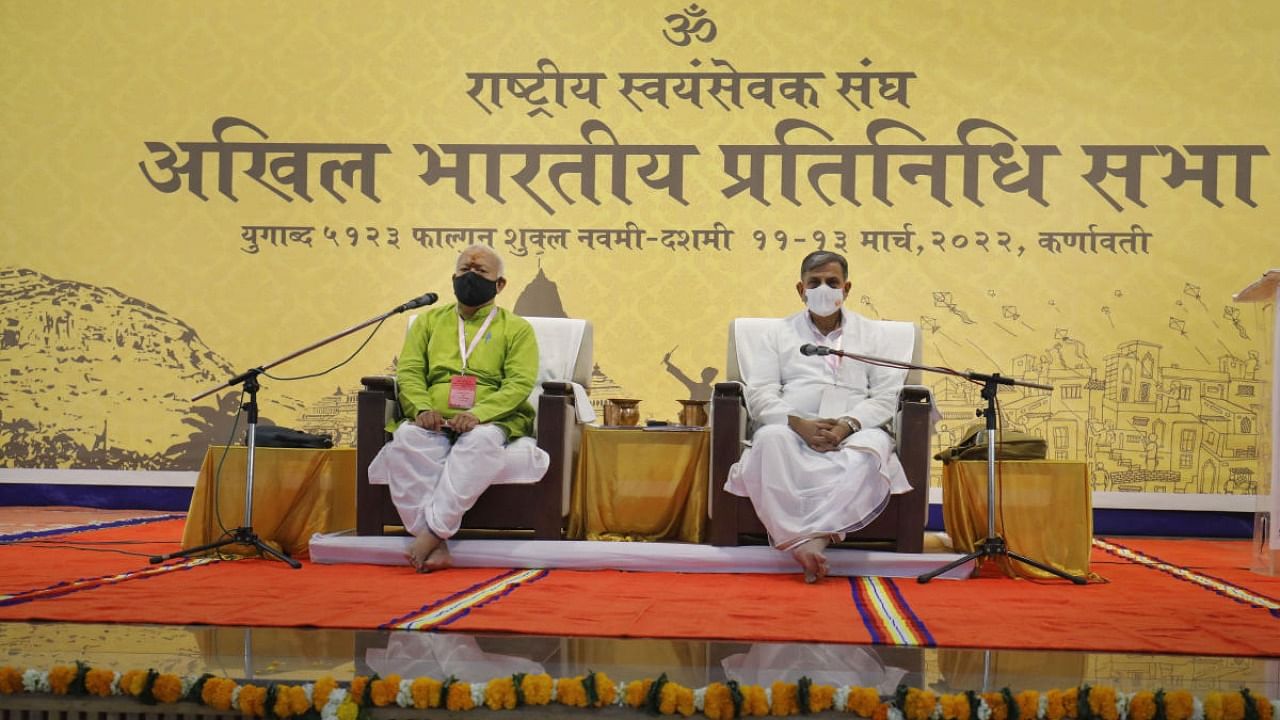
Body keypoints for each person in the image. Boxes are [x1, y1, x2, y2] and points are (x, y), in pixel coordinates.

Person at [725, 250, 911, 583]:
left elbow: (886, 395)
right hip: (794, 426)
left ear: (846, 288)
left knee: (872, 452)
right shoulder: (777, 334)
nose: (823, 289)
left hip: (854, 428)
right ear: (801, 289)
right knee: (768, 440)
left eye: (831, 282)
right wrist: (797, 423)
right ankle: (800, 538)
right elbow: (760, 392)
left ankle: (813, 540)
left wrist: (847, 425)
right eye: (815, 283)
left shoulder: (873, 335)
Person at [368, 246, 541, 572]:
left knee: (479, 443)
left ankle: (430, 534)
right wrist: (421, 409)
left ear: (500, 284)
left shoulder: (517, 329)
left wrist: (479, 414)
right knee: (406, 440)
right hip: (431, 418)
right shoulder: (427, 322)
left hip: (490, 419)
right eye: (464, 270)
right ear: (452, 278)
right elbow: (409, 372)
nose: (470, 276)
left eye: (480, 272)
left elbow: (518, 384)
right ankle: (439, 545)